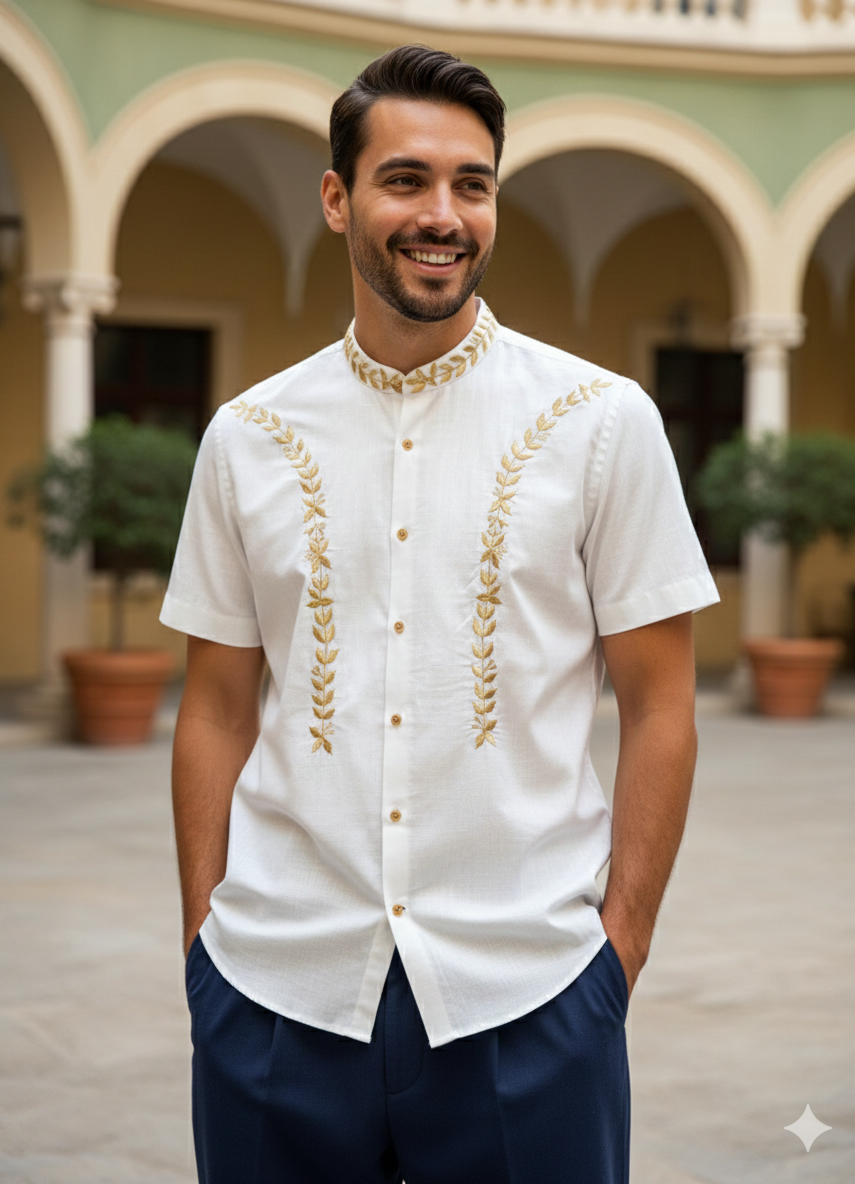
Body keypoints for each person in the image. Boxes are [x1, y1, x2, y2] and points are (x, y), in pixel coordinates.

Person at [161, 45, 719, 1184]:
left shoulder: (602, 423)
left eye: (473, 183)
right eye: (406, 179)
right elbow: (216, 706)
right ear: (338, 198)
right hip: (275, 993)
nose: (444, 214)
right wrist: (203, 949)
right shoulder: (248, 437)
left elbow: (662, 702)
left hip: (532, 994)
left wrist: (618, 952)